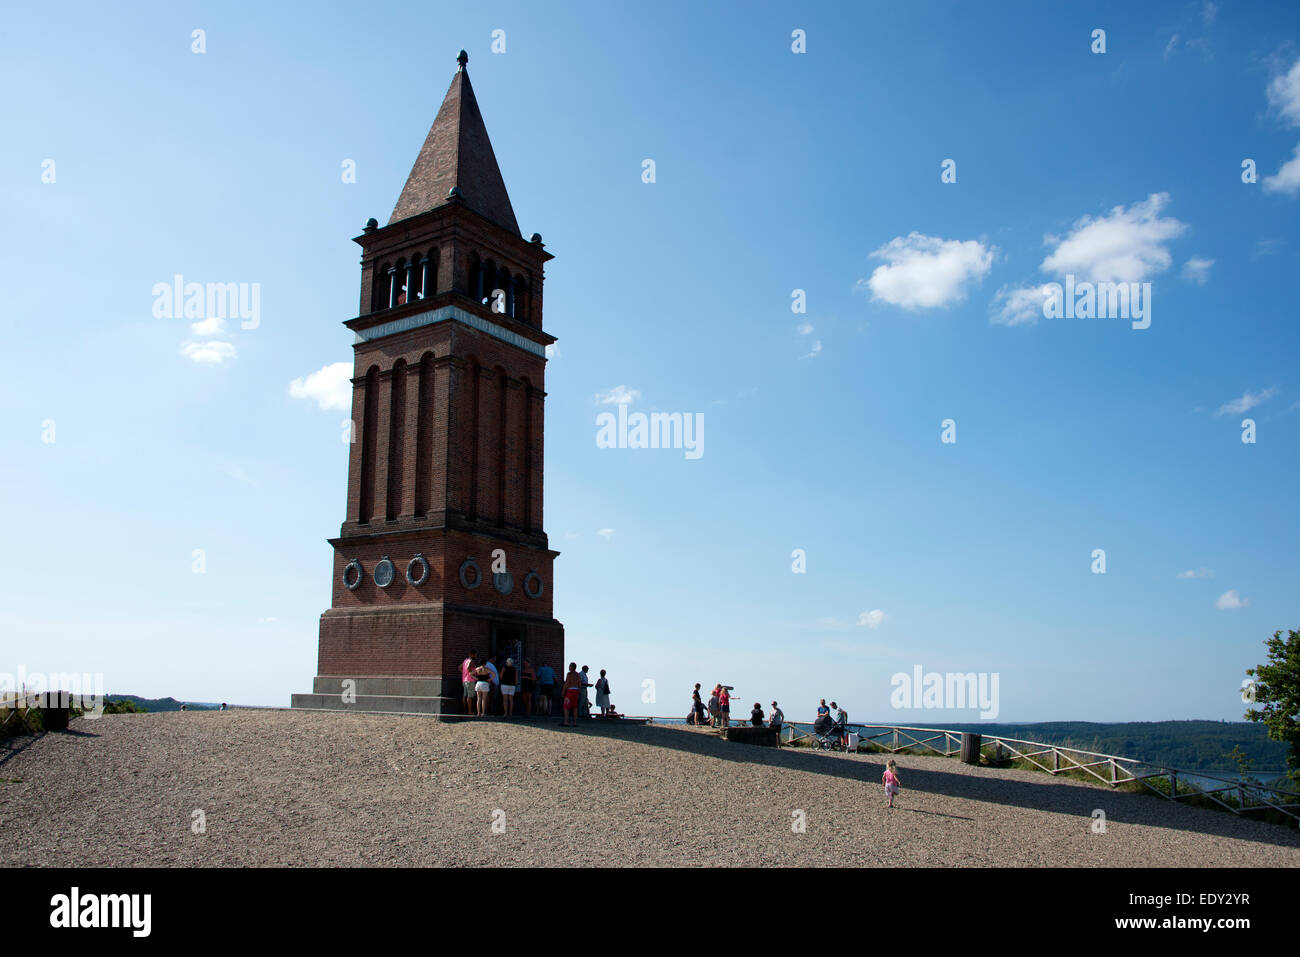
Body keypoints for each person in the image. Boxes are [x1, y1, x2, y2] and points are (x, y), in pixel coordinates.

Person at [561, 663, 581, 727]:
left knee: (566, 707)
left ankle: (566, 722)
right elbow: (579, 683)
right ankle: (575, 722)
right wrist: (579, 691)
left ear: (572, 667)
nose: (569, 667)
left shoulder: (569, 674)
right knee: (575, 707)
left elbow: (567, 683)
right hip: (576, 690)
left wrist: (563, 692)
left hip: (570, 690)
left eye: (570, 666)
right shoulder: (578, 675)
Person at [461, 650, 478, 714]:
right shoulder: (471, 661)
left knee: (465, 696)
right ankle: (469, 711)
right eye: (475, 654)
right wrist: (471, 674)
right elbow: (468, 668)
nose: (476, 656)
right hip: (470, 680)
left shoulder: (465, 660)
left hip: (464, 680)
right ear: (472, 654)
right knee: (470, 696)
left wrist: (464, 674)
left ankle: (465, 710)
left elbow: (460, 667)